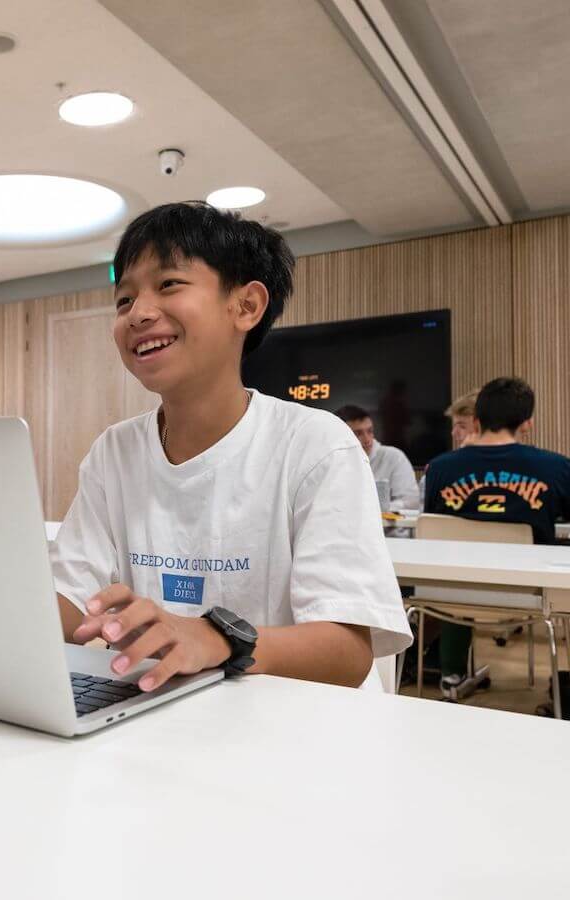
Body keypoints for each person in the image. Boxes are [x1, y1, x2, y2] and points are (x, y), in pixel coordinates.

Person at [50, 202, 411, 691]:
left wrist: (216, 639)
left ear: (246, 306)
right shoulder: (115, 451)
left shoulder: (316, 444)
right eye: (123, 300)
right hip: (164, 718)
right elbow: (73, 599)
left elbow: (347, 653)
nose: (138, 313)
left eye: (169, 284)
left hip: (301, 732)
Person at [423, 377, 570, 699]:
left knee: (456, 570)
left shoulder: (439, 470)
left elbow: (432, 529)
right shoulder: (557, 468)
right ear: (527, 423)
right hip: (530, 596)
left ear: (475, 421)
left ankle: (451, 674)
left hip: (450, 593)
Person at [335, 404, 420, 509]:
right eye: (358, 434)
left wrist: (378, 510)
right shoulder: (330, 461)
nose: (367, 439)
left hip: (385, 524)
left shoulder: (393, 457)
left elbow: (412, 501)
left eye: (370, 431)